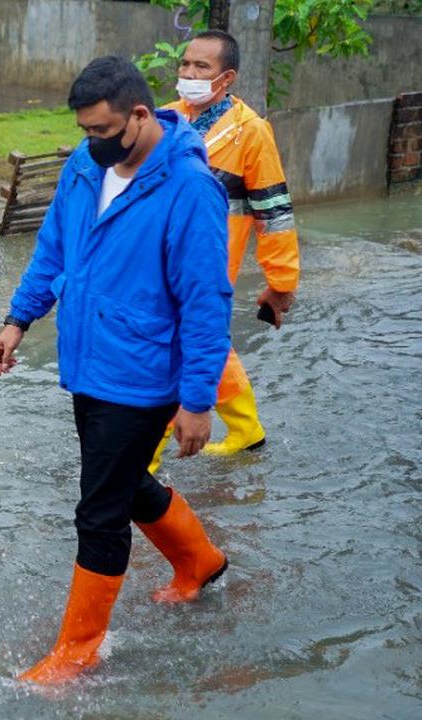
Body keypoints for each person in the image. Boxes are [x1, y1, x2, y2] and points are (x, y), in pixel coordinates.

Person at [0, 56, 232, 684]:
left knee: (99, 509)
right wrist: (20, 318)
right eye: (84, 130)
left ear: (141, 116)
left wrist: (199, 400)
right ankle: (199, 561)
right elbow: (54, 247)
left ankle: (77, 651)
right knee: (122, 483)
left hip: (145, 374)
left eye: (101, 131)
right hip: (89, 362)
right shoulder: (84, 163)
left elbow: (207, 300)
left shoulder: (188, 188)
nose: (90, 143)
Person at [148, 29, 300, 473]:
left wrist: (282, 282)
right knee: (206, 339)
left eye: (202, 68)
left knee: (173, 342)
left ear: (226, 77)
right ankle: (247, 428)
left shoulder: (251, 132)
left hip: (208, 259)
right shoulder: (165, 119)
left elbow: (273, 211)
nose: (189, 74)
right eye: (185, 65)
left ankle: (143, 457)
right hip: (156, 255)